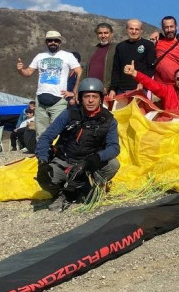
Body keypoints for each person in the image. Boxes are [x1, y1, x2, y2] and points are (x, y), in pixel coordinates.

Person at [35, 78, 120, 211]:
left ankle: (88, 186)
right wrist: (42, 162)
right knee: (45, 179)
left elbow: (114, 147)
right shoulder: (68, 114)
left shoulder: (109, 120)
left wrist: (94, 159)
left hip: (88, 165)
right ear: (81, 98)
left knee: (113, 164)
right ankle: (62, 192)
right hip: (64, 162)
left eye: (94, 97)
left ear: (100, 99)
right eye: (87, 96)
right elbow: (45, 138)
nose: (91, 100)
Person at [17, 31, 82, 136]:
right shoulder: (39, 56)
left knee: (58, 131)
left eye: (56, 40)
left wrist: (75, 91)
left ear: (60, 42)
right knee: (40, 133)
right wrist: (20, 70)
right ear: (46, 42)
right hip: (40, 100)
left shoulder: (67, 56)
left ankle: (57, 152)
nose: (53, 42)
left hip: (59, 101)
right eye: (50, 40)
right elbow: (28, 72)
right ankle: (42, 152)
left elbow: (79, 71)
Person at [108, 19, 155, 99]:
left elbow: (151, 69)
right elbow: (116, 69)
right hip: (121, 90)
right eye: (131, 29)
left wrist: (143, 83)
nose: (134, 31)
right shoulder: (120, 46)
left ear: (141, 31)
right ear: (127, 29)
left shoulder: (148, 45)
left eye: (137, 29)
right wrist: (113, 89)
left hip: (139, 89)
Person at [154, 16, 179, 85]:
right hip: (159, 86)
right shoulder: (156, 43)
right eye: (166, 27)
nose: (169, 30)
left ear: (176, 27)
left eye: (171, 26)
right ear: (162, 28)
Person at [84, 23, 116, 89]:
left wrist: (109, 87)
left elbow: (118, 71)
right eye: (100, 33)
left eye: (106, 33)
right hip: (90, 88)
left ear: (112, 34)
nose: (103, 35)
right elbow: (86, 69)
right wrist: (80, 86)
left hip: (106, 89)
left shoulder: (116, 49)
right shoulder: (93, 49)